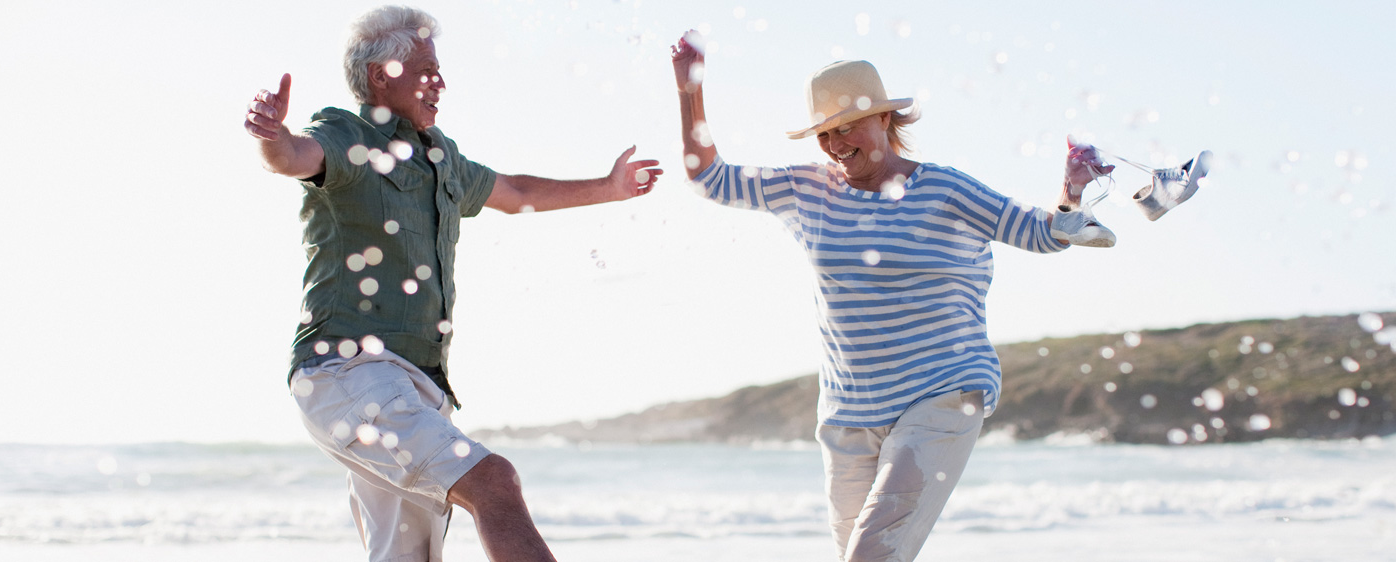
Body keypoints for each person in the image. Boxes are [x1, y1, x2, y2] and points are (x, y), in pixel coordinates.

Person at [670, 32, 1111, 561]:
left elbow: (1041, 234)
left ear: (884, 119)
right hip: (848, 416)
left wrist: (1071, 191)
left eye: (847, 126)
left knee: (870, 557)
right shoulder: (807, 189)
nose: (835, 145)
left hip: (942, 394)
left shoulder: (945, 190)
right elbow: (709, 179)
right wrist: (687, 90)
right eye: (825, 134)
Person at [244, 6, 661, 562]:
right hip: (347, 373)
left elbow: (512, 191)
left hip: (415, 386)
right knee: (493, 483)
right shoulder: (347, 135)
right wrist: (271, 136)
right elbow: (294, 156)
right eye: (424, 68)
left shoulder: (440, 158)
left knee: (408, 557)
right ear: (379, 76)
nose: (440, 82)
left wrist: (608, 188)